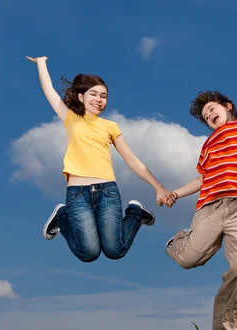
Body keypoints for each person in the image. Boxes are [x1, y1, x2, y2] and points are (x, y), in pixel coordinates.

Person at [164, 41, 237, 330]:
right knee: (187, 259)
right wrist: (174, 194)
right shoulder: (207, 145)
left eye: (213, 109)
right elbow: (202, 177)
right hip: (208, 208)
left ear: (228, 106)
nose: (210, 115)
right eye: (206, 116)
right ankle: (176, 242)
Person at [27, 56, 175, 262]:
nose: (99, 99)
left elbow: (132, 159)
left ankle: (135, 213)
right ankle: (62, 216)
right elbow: (48, 90)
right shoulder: (71, 118)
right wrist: (41, 63)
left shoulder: (110, 126)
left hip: (107, 192)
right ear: (81, 97)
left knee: (116, 251)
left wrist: (158, 187)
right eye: (94, 94)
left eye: (103, 96)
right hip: (77, 194)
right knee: (88, 253)